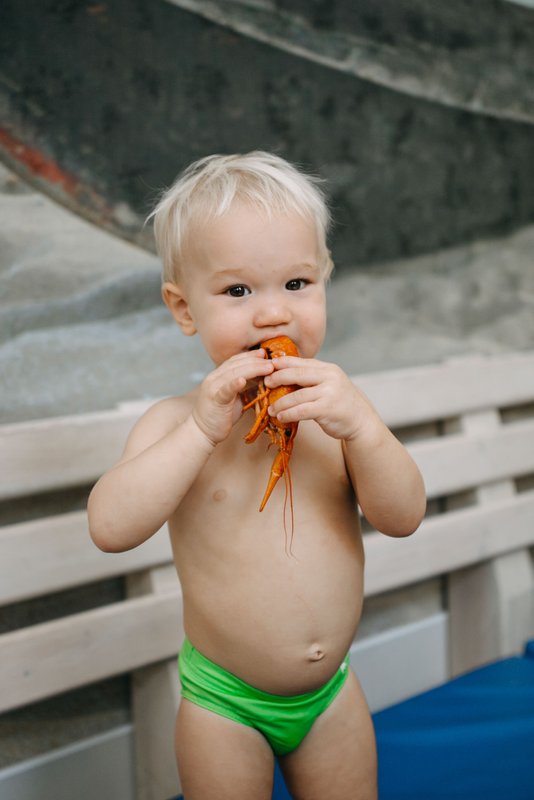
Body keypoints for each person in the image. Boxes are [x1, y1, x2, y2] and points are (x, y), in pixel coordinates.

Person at [88, 151, 426, 800]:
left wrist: (364, 428)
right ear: (184, 309)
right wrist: (200, 430)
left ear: (325, 282)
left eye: (297, 283)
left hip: (331, 696)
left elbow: (403, 517)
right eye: (238, 291)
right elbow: (110, 528)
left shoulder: (338, 416)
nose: (273, 314)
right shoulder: (176, 423)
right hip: (225, 702)